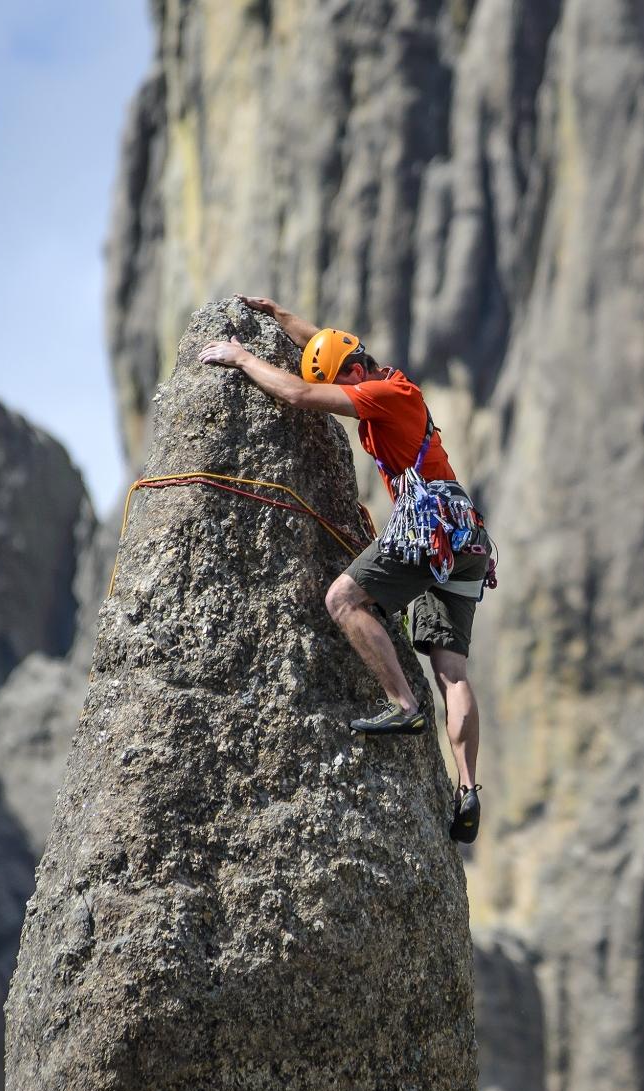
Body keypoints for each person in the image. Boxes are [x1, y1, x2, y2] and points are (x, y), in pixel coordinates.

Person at [197, 294, 491, 844]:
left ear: (357, 374)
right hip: (463, 535)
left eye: (347, 383)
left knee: (342, 600)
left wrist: (242, 357)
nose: (347, 393)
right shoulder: (384, 377)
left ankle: (403, 706)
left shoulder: (381, 394)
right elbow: (324, 353)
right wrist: (281, 315)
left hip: (430, 526)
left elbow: (304, 392)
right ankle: (467, 787)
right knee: (452, 673)